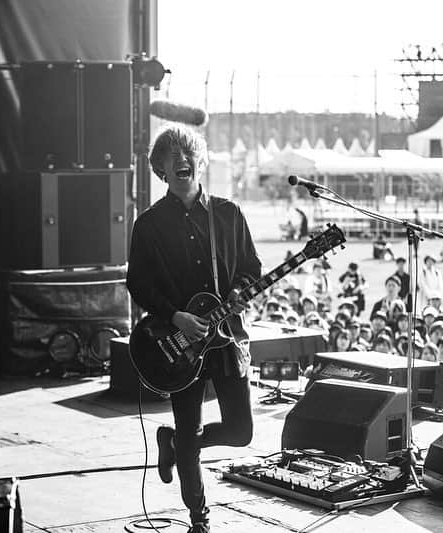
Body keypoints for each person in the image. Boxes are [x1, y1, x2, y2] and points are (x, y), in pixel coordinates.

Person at [126, 125, 262, 533]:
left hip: (225, 339)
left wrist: (238, 291)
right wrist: (175, 316)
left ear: (199, 162)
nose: (181, 159)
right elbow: (139, 284)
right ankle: (198, 517)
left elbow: (251, 270)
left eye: (188, 153)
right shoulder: (149, 225)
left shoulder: (228, 214)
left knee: (240, 432)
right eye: (172, 156)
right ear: (162, 170)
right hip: (177, 341)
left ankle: (175, 443)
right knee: (191, 426)